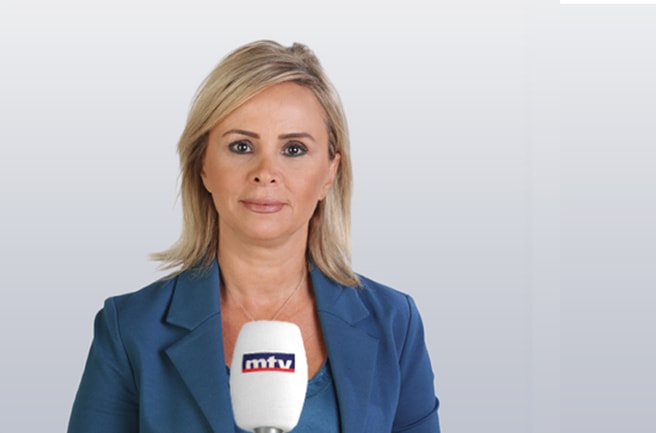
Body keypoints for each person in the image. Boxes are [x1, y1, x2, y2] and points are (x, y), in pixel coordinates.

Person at [68, 40, 440, 433]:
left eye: (293, 149)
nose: (265, 172)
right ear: (203, 166)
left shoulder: (394, 324)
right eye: (241, 146)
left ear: (330, 172)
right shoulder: (130, 329)